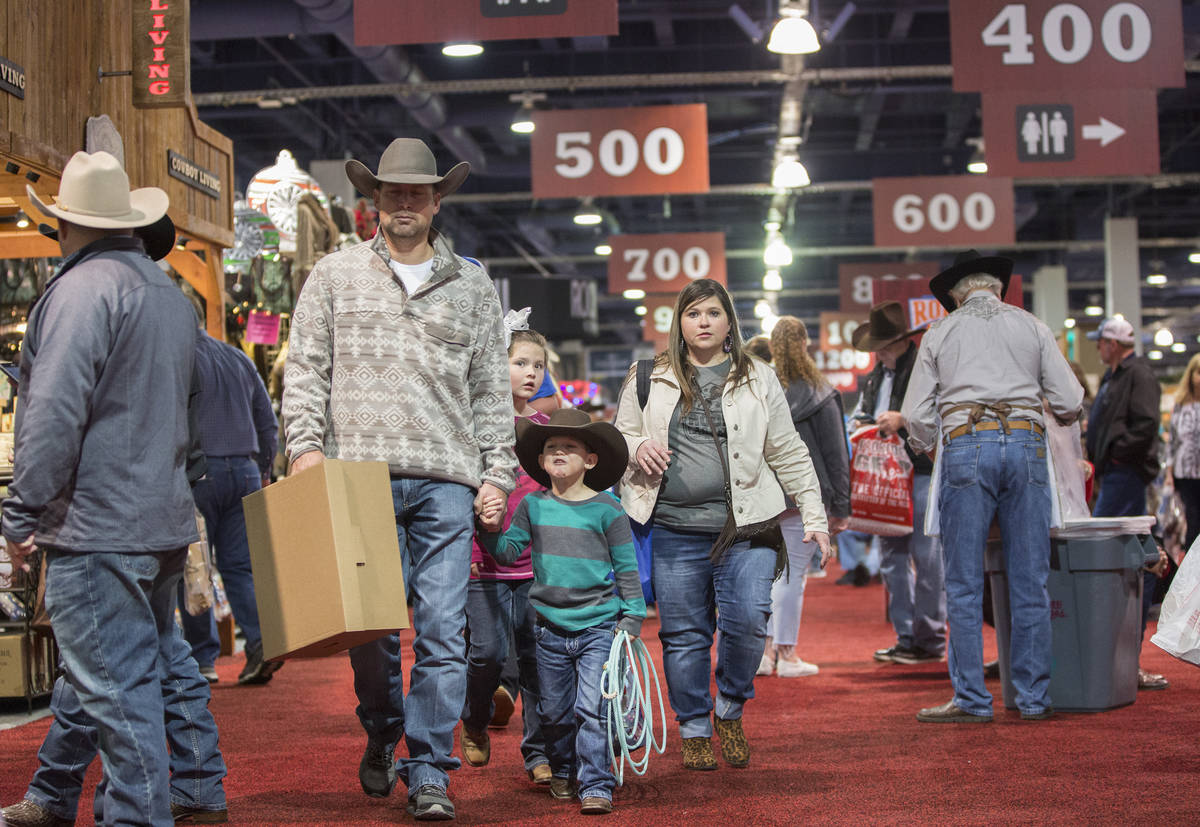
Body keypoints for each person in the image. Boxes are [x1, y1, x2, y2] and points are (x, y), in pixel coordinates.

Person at [282, 137, 515, 821]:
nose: (405, 202)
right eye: (393, 192)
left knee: (444, 631)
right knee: (372, 633)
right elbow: (306, 367)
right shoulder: (333, 274)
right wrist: (304, 449)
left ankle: (431, 769)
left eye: (417, 191)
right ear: (374, 199)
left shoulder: (472, 284)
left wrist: (496, 471)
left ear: (438, 200)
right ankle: (383, 732)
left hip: (446, 477)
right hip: (358, 476)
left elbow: (489, 391)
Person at [1, 150, 208, 823]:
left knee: (118, 695)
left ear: (68, 224)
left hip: (98, 527)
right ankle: (62, 796)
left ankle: (136, 817)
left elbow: (52, 413)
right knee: (121, 681)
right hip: (158, 521)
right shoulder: (170, 297)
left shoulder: (78, 293)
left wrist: (18, 516)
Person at [614, 278, 830, 771]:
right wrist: (634, 446)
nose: (703, 322)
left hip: (748, 528)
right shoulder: (647, 375)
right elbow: (618, 435)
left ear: (728, 320)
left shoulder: (758, 376)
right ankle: (693, 725)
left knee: (750, 622)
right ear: (680, 323)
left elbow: (788, 450)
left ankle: (730, 708)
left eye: (713, 312)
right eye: (693, 314)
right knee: (684, 634)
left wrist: (815, 516)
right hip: (672, 528)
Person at [901, 250, 1083, 723]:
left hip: (966, 444)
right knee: (1030, 581)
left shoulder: (941, 331)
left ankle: (973, 700)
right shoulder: (1032, 326)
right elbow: (1070, 400)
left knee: (962, 584)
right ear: (997, 290)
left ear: (958, 295)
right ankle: (1033, 698)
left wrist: (932, 447)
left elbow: (917, 417)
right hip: (1026, 445)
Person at [479, 408, 645, 816]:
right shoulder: (532, 507)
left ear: (590, 460)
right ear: (538, 460)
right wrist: (490, 528)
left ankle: (596, 782)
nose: (558, 453)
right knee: (553, 711)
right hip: (548, 628)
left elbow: (626, 568)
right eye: (551, 447)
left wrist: (633, 615)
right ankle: (563, 768)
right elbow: (508, 552)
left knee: (591, 708)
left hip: (598, 627)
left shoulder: (609, 510)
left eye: (569, 447)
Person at [459, 309, 551, 785]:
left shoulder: (544, 427)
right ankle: (473, 720)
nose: (530, 373)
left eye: (537, 365)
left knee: (536, 660)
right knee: (486, 654)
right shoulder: (476, 421)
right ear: (498, 364)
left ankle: (537, 752)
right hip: (484, 564)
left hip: (534, 568)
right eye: (520, 363)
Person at [179, 321, 282, 686]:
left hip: (198, 473)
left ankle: (201, 658)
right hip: (245, 470)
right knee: (240, 567)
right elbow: (267, 422)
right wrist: (265, 468)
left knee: (193, 566)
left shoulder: (178, 359)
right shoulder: (238, 358)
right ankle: (259, 642)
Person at [849, 300, 947, 665]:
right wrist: (864, 422)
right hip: (886, 477)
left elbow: (940, 413)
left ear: (897, 343)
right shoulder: (877, 375)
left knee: (927, 558)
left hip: (920, 472)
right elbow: (864, 411)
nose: (877, 352)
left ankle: (930, 637)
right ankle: (907, 636)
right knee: (892, 560)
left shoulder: (925, 368)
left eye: (880, 346)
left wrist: (903, 420)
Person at [758, 316, 850, 678]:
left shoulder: (761, 389)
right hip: (805, 495)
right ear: (805, 344)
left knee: (767, 575)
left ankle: (764, 654)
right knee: (792, 576)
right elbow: (835, 455)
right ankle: (788, 654)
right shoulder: (821, 393)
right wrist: (841, 506)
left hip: (765, 496)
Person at [1084, 315, 1167, 690]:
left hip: (1125, 475)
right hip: (1115, 475)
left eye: (1100, 341)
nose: (1097, 347)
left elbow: (1146, 424)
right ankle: (1120, 655)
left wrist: (1117, 455)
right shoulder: (1116, 376)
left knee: (1125, 552)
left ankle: (1125, 656)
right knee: (1135, 553)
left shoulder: (1138, 375)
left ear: (1112, 344)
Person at [1167, 353, 1200, 552]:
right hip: (1185, 472)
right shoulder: (1180, 405)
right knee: (1192, 519)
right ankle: (1191, 569)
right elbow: (1173, 440)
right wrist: (1169, 473)